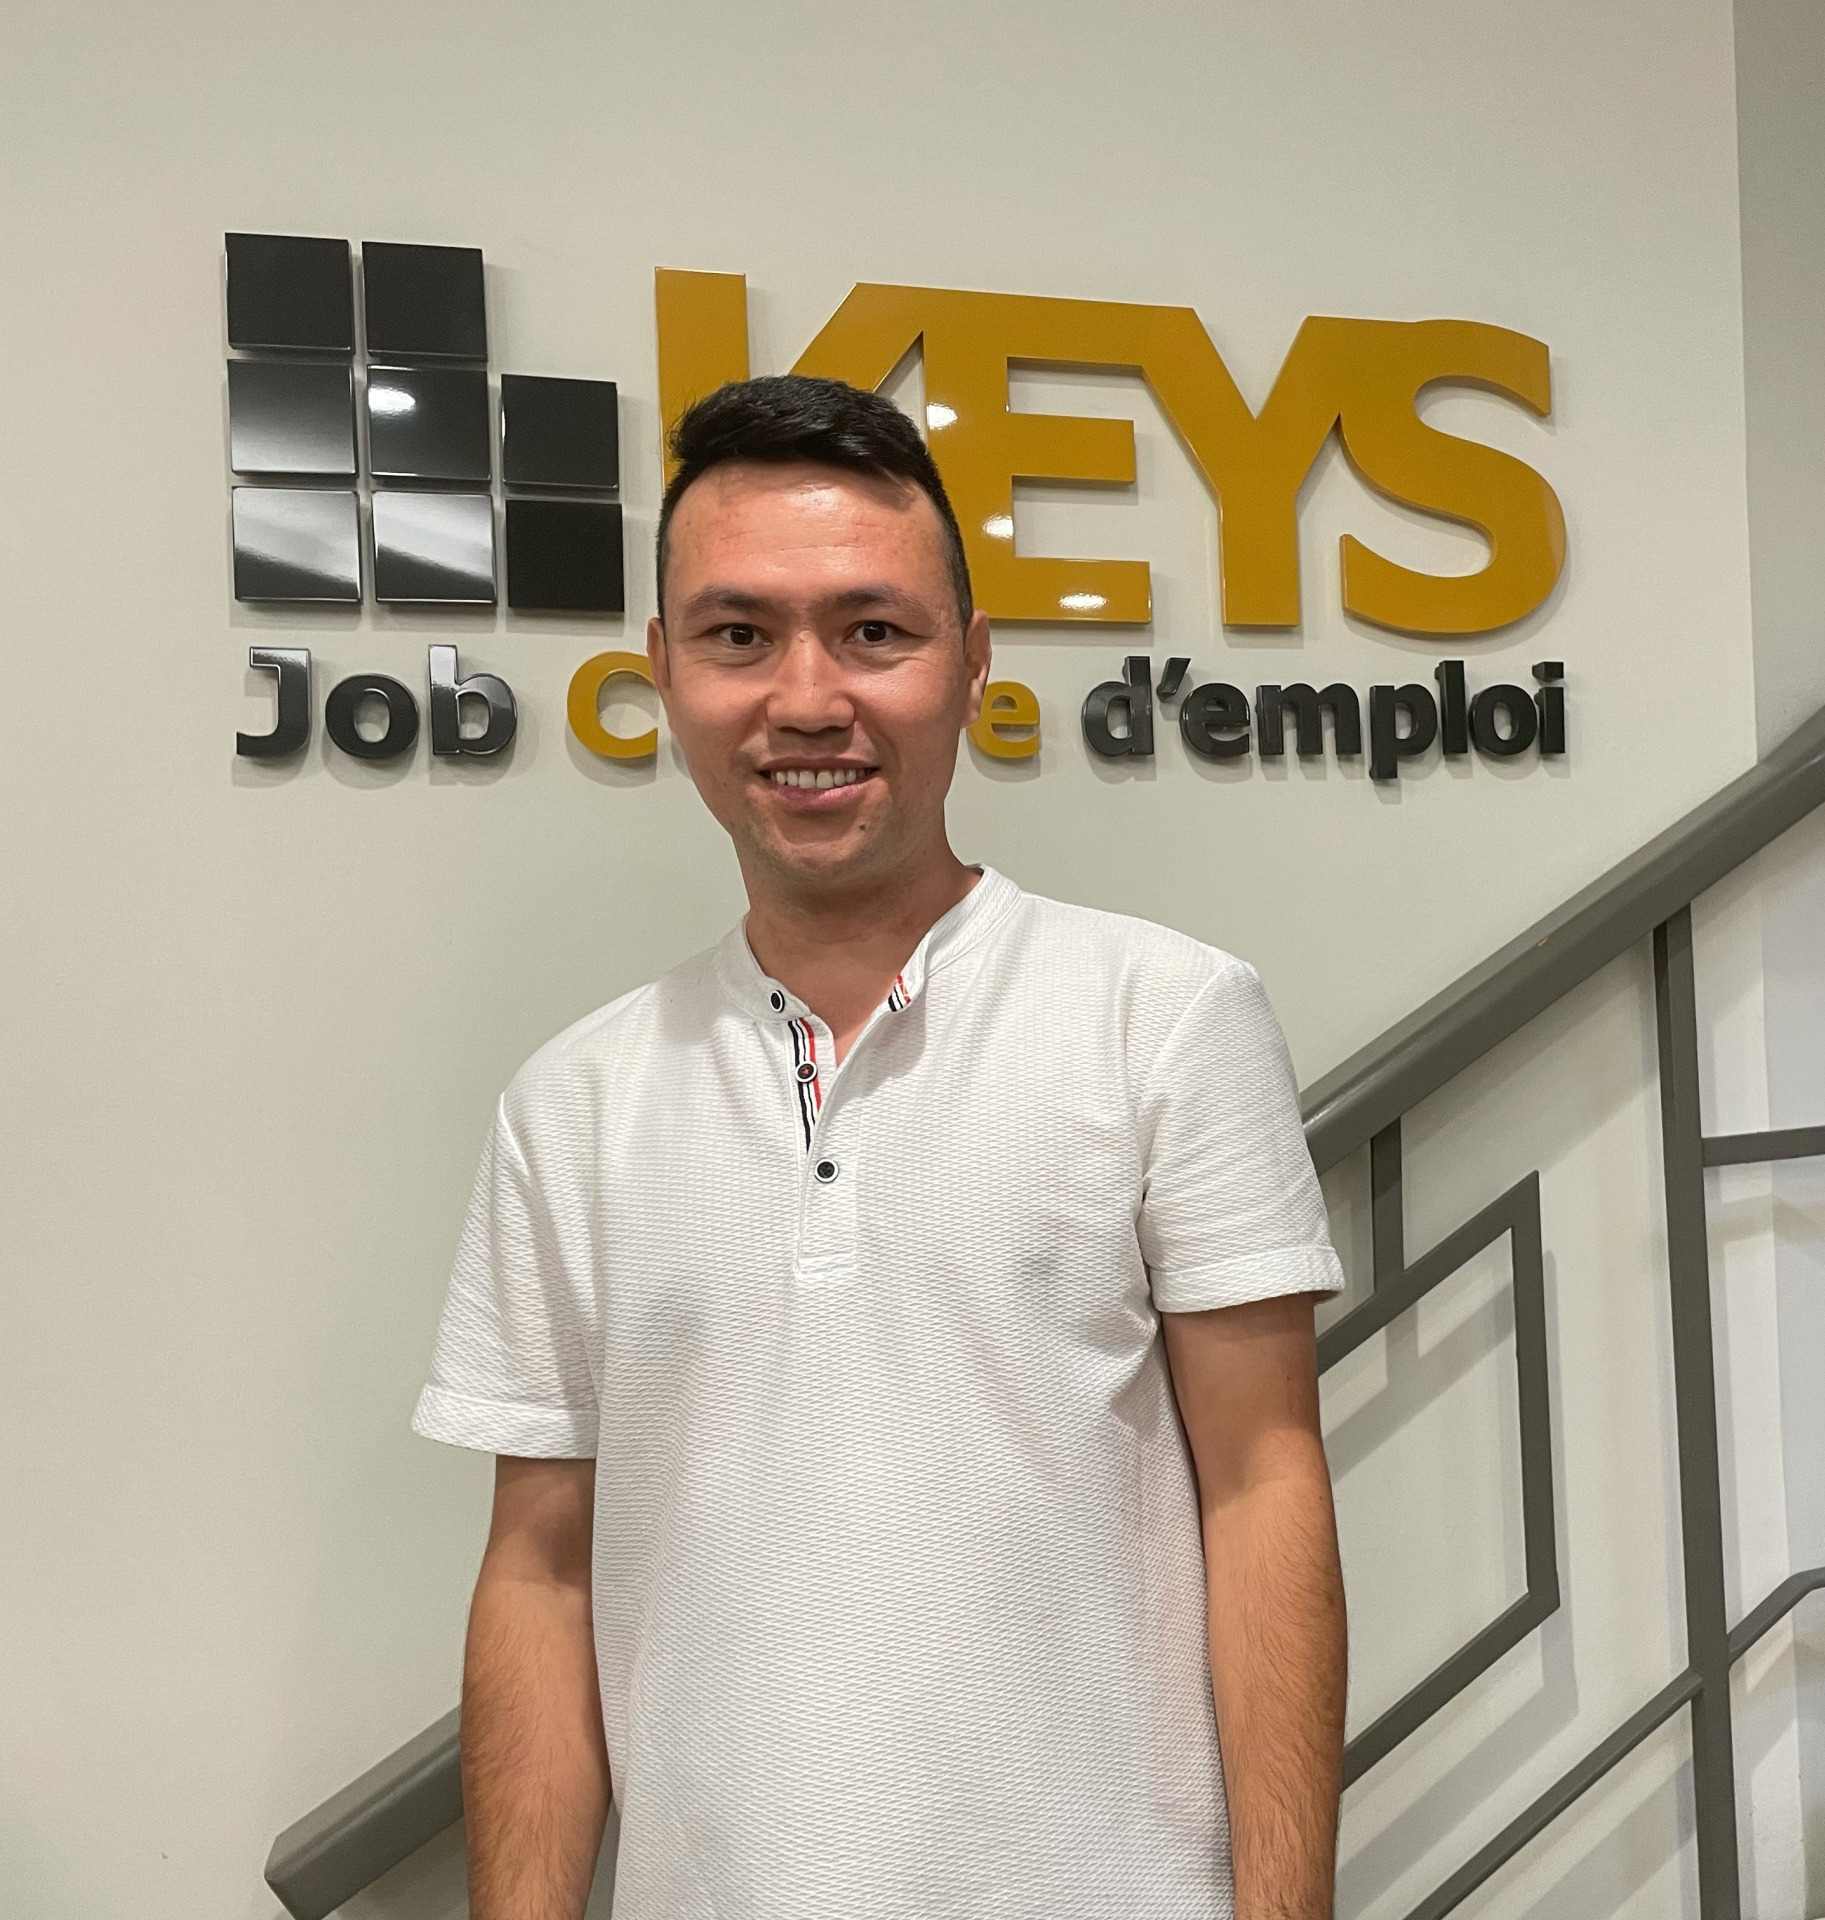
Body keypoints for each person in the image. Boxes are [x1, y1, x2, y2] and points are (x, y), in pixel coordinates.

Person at [412, 375, 1348, 1920]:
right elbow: (542, 1572)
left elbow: (1264, 1490)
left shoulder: (1164, 1016)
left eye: (873, 631)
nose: (805, 696)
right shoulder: (571, 1104)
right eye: (737, 635)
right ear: (660, 672)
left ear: (972, 665)